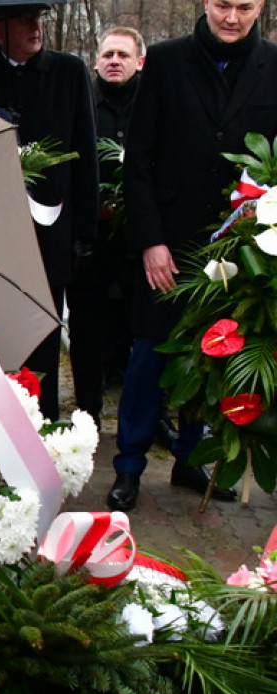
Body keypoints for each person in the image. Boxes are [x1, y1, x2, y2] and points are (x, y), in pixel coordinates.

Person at [107, 0, 277, 510]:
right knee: (146, 356)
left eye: (244, 6)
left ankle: (189, 458)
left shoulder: (273, 65)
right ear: (206, 2)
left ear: (261, 6)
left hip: (237, 245)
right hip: (169, 241)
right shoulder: (165, 59)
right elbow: (138, 157)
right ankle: (129, 467)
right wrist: (150, 242)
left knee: (215, 354)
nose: (232, 17)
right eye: (223, 4)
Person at [0, 3, 98, 421]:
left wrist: (85, 231)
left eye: (38, 19)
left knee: (44, 327)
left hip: (52, 228)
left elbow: (86, 151)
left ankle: (43, 420)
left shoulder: (68, 71)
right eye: (23, 20)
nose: (34, 27)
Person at [68, 27, 145, 430]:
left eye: (123, 55)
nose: (114, 61)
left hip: (138, 238)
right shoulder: (83, 100)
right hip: (93, 235)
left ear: (139, 62)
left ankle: (146, 415)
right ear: (96, 60)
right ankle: (88, 410)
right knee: (85, 328)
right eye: (108, 54)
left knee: (141, 328)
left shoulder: (152, 102)